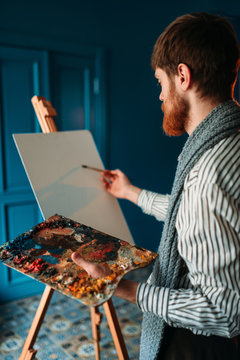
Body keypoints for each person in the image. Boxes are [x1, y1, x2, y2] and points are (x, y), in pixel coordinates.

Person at [72, 12, 240, 359]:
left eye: (159, 81)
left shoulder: (207, 173)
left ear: (182, 76)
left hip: (202, 345)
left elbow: (224, 311)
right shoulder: (229, 142)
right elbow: (191, 216)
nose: (159, 94)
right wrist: (129, 192)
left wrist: (126, 288)